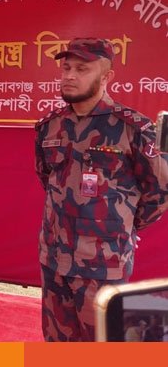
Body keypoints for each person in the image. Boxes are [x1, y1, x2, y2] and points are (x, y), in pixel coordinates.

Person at [34, 37, 168, 342]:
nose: (69, 75)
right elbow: (47, 178)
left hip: (103, 265)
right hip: (54, 259)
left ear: (107, 77)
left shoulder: (132, 128)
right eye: (66, 68)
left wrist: (121, 224)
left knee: (103, 346)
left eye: (81, 69)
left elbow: (160, 191)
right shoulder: (49, 126)